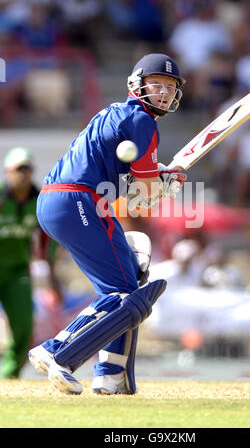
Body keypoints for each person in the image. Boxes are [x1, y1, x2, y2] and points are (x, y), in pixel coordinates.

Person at [28, 53, 187, 395]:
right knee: (122, 293)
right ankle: (57, 349)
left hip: (56, 200)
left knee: (128, 280)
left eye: (171, 86)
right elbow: (144, 194)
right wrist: (165, 185)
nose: (164, 91)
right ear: (136, 84)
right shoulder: (143, 121)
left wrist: (159, 179)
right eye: (157, 83)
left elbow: (133, 188)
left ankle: (112, 376)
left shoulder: (116, 113)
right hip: (81, 200)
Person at [0, 147, 61, 379]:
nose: (23, 174)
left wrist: (53, 280)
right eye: (18, 169)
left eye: (27, 169)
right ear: (8, 171)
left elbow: (47, 242)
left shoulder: (39, 200)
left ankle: (9, 376)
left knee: (24, 327)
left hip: (17, 270)